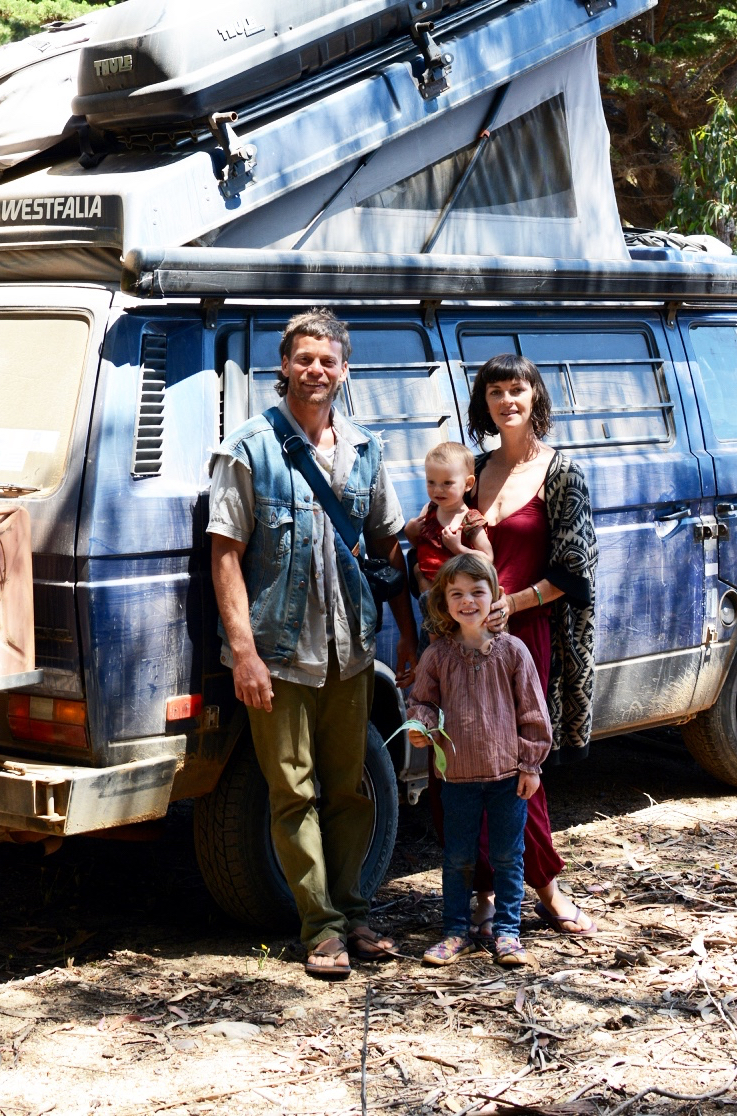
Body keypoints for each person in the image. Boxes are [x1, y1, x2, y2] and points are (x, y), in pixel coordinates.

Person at [208, 309, 418, 980]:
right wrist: (244, 653)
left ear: (344, 370)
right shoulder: (248, 449)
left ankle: (354, 913)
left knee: (349, 789)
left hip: (351, 652)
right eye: (304, 358)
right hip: (278, 655)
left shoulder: (365, 449)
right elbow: (225, 555)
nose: (315, 370)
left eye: (328, 360)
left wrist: (411, 637)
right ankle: (321, 929)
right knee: (292, 793)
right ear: (284, 366)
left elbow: (388, 545)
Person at [464, 353, 599, 938]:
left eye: (516, 390)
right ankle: (486, 891)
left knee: (520, 763)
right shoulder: (472, 469)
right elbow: (442, 542)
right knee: (467, 765)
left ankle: (545, 888)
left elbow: (575, 572)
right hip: (468, 641)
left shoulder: (561, 472)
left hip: (528, 636)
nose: (506, 401)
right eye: (495, 391)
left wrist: (511, 605)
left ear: (535, 397)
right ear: (484, 403)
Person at [407, 552, 551, 968]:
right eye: (456, 594)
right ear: (443, 601)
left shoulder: (513, 651)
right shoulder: (437, 655)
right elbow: (422, 702)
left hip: (507, 777)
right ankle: (455, 932)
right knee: (458, 858)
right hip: (457, 778)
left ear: (495, 595)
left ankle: (507, 932)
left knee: (508, 856)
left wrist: (531, 764)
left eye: (477, 592)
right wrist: (420, 726)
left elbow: (533, 711)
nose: (467, 601)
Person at [405, 440, 493, 594]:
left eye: (447, 483)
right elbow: (422, 546)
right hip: (429, 592)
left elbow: (487, 558)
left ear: (468, 484)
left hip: (458, 594)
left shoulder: (470, 520)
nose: (438, 490)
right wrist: (411, 533)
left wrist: (458, 548)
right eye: (431, 482)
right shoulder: (429, 510)